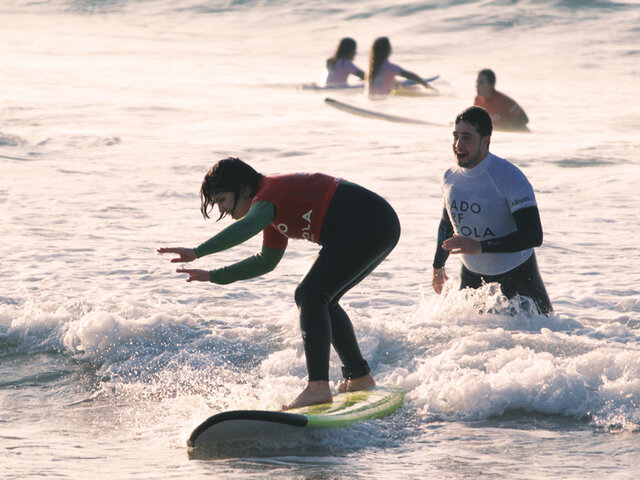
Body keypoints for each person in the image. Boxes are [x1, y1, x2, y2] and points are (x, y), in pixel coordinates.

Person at [158, 158, 401, 409]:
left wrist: (198, 251)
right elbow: (265, 261)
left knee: (310, 295)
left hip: (370, 220)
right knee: (320, 298)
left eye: (222, 200)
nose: (222, 210)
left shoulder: (270, 193)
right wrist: (213, 275)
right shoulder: (271, 210)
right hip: (376, 223)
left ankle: (318, 386)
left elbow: (248, 226)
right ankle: (358, 376)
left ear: (242, 189)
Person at [431, 106, 552, 315]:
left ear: (485, 141)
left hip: (519, 277)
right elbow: (447, 224)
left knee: (546, 339)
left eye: (467, 138)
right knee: (470, 344)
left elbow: (533, 235)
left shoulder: (509, 177)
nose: (458, 145)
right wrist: (438, 266)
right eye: (456, 137)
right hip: (472, 279)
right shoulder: (449, 177)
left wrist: (480, 246)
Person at [366, 36, 434, 95]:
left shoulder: (370, 69)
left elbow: (381, 84)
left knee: (407, 88)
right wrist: (426, 85)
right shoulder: (390, 67)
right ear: (388, 51)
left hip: (371, 100)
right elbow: (410, 75)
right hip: (382, 101)